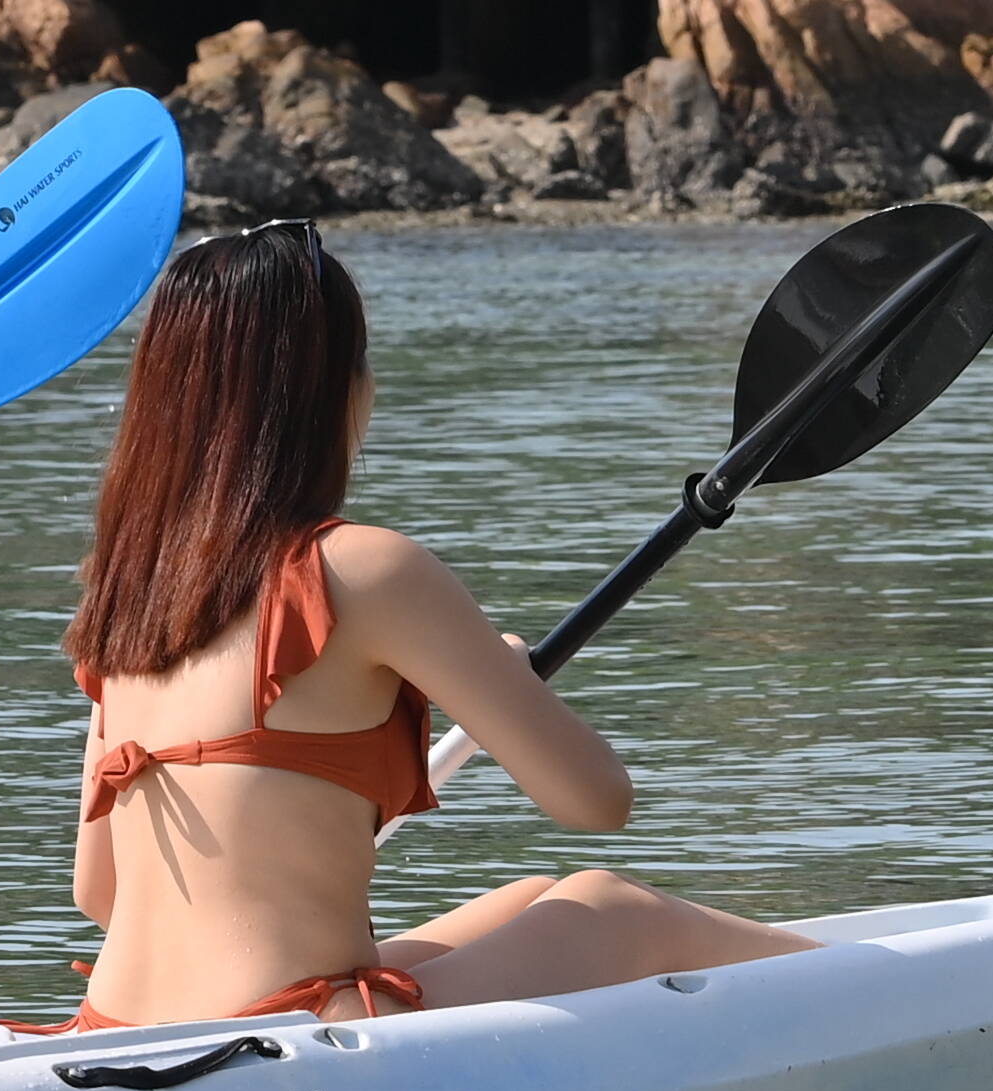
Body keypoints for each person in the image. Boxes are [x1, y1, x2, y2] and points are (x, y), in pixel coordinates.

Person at [58, 220, 813, 1027]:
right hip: (284, 1025)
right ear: (331, 388)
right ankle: (919, 992)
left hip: (115, 1022)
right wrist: (499, 684)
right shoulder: (364, 569)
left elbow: (98, 892)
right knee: (613, 906)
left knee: (530, 900)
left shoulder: (128, 595)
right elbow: (598, 801)